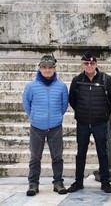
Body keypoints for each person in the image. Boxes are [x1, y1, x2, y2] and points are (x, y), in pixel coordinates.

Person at [68, 51, 111, 193]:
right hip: (83, 123)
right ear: (82, 65)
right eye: (86, 63)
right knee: (81, 153)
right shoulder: (76, 80)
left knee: (103, 153)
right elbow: (72, 100)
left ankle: (105, 182)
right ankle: (78, 182)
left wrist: (103, 114)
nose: (89, 66)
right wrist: (82, 113)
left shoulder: (105, 79)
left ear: (96, 64)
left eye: (92, 63)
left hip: (100, 123)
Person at [22, 55, 69, 196]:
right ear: (40, 68)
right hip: (37, 127)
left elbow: (64, 105)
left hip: (55, 126)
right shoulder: (31, 86)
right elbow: (27, 105)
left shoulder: (61, 86)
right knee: (35, 157)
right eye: (44, 67)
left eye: (50, 67)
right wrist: (35, 117)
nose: (47, 70)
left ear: (54, 69)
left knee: (57, 157)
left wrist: (56, 117)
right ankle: (33, 184)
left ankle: (58, 182)